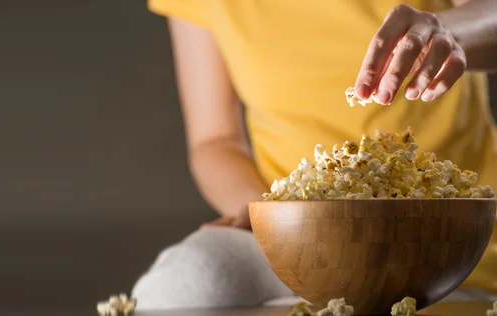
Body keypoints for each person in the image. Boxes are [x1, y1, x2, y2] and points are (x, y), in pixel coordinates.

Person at [132, 0, 497, 310]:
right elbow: (215, 140)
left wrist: (447, 32)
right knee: (184, 283)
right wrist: (269, 214)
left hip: (446, 240)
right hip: (288, 239)